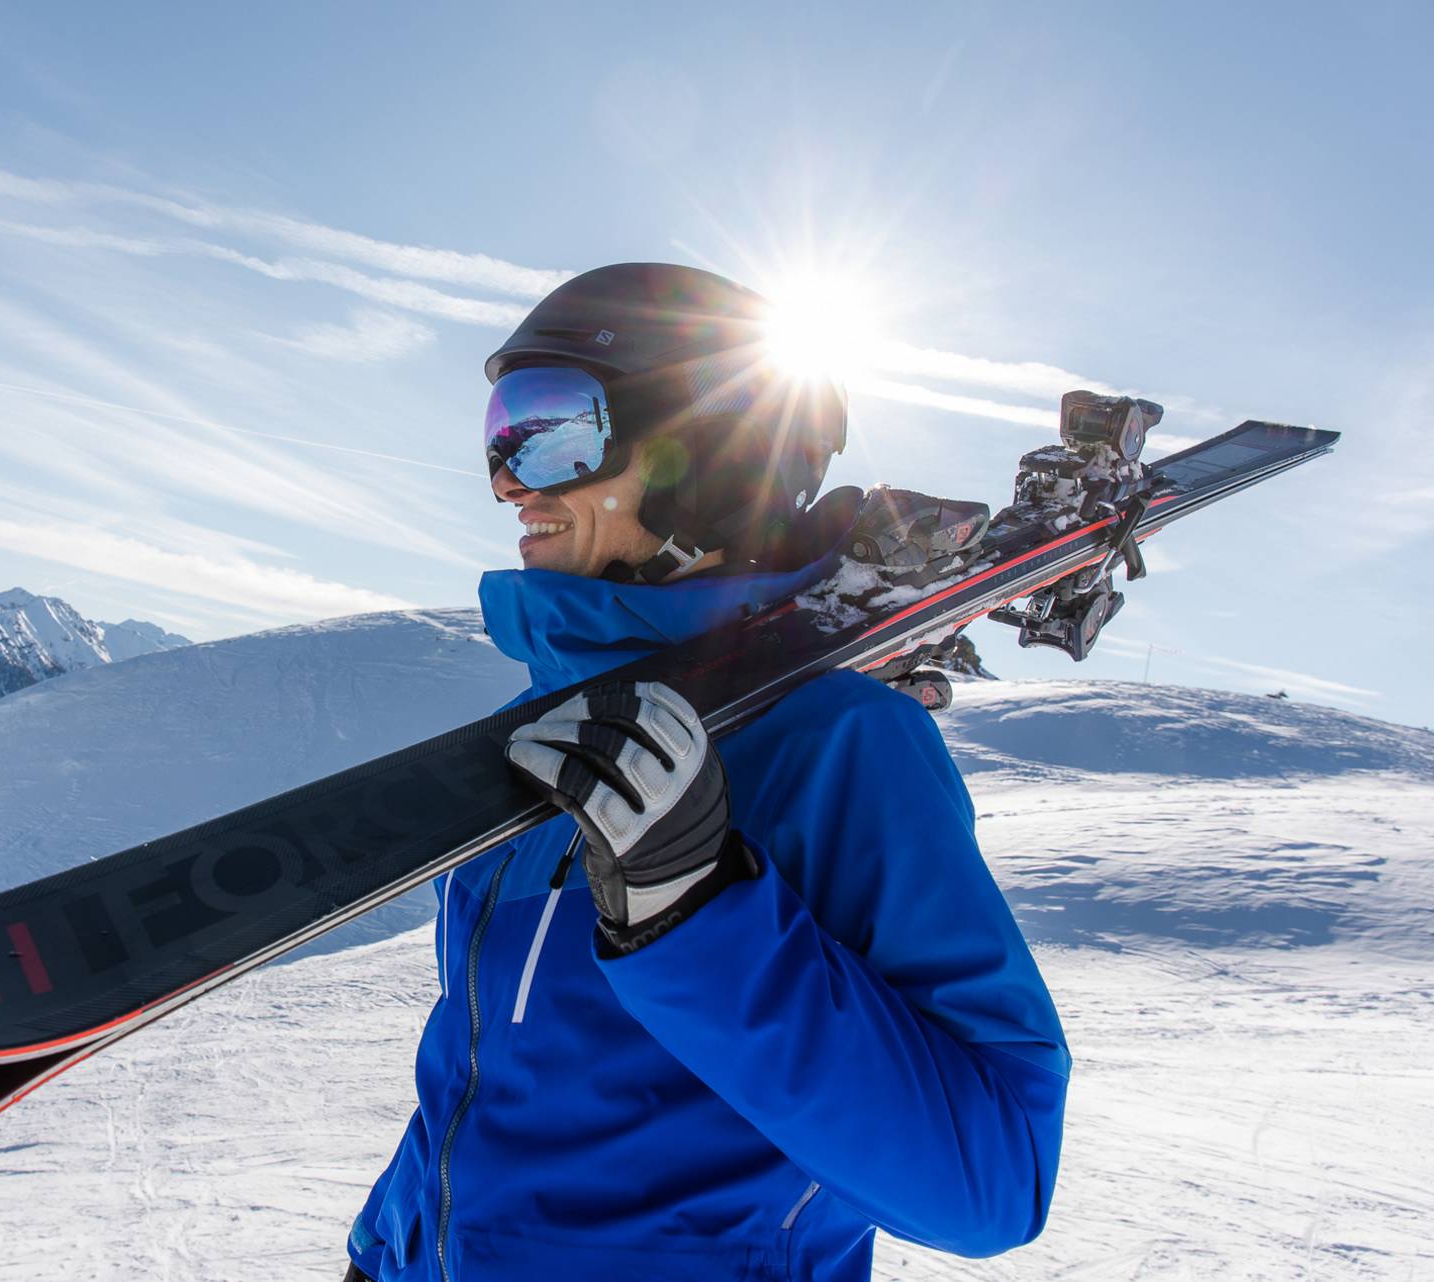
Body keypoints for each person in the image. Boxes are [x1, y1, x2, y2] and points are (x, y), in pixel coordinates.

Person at [343, 264, 1069, 1282]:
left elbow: (995, 1178)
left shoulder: (840, 746)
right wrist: (386, 1251)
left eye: (550, 427)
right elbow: (478, 1081)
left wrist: (700, 917)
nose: (511, 481)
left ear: (712, 462)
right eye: (501, 435)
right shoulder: (541, 739)